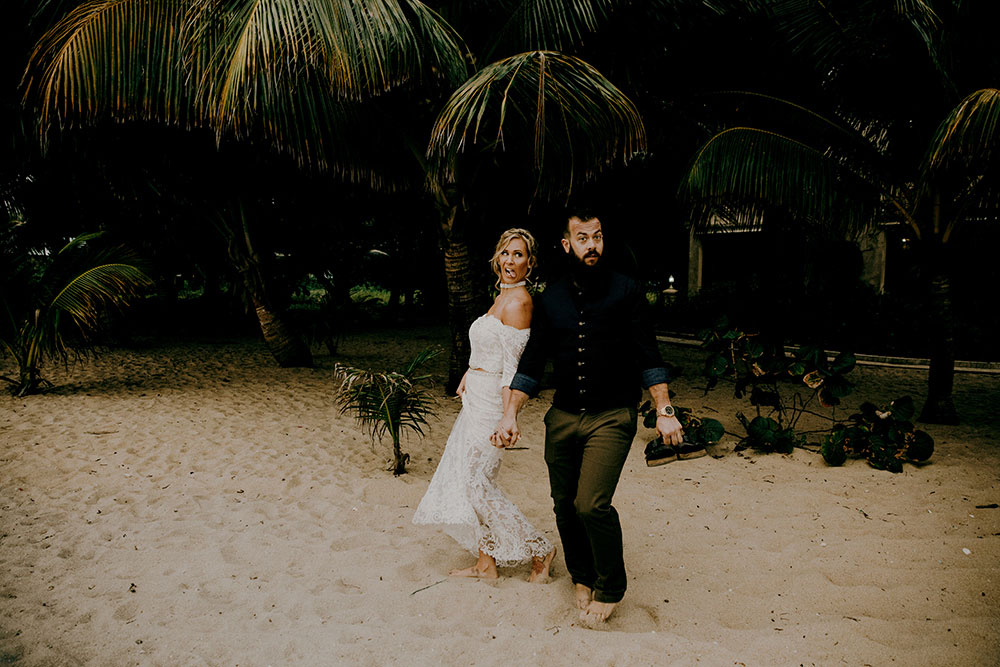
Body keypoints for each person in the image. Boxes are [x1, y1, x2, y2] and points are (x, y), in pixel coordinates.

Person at [494, 212, 684, 625]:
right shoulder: (550, 298)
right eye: (582, 238)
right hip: (561, 417)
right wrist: (510, 412)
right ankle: (582, 575)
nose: (592, 245)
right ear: (567, 245)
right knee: (564, 505)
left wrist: (664, 410)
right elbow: (533, 360)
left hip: (612, 416)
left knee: (591, 504)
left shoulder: (627, 291)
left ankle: (611, 585)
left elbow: (648, 355)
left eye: (597, 236)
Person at [413, 228, 556, 582]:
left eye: (519, 255)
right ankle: (485, 562)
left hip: (493, 404)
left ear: (530, 263)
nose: (510, 261)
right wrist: (468, 372)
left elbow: (513, 367)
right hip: (474, 396)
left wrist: (509, 416)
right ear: (497, 257)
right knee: (468, 480)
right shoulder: (501, 297)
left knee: (477, 485)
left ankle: (540, 548)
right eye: (506, 253)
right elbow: (488, 348)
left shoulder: (520, 302)